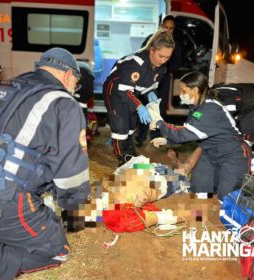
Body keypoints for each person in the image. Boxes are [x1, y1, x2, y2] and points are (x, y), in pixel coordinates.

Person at [0, 47, 90, 279]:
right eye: (76, 84)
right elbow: (70, 174)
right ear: (68, 75)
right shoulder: (63, 103)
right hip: (1, 203)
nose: (74, 90)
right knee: (57, 251)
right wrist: (74, 208)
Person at [150, 71, 252, 201]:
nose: (181, 95)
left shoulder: (209, 109)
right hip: (211, 154)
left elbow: (182, 134)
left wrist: (160, 123)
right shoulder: (197, 108)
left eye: (183, 91)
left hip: (232, 156)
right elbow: (189, 133)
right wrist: (167, 139)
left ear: (195, 90)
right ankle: (205, 207)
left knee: (227, 198)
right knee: (199, 191)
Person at [103, 29, 175, 166]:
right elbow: (124, 91)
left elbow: (147, 85)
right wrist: (139, 106)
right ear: (152, 50)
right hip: (115, 91)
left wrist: (150, 93)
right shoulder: (136, 64)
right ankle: (121, 157)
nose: (163, 60)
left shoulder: (161, 68)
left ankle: (129, 151)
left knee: (132, 123)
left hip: (131, 93)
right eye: (161, 56)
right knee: (120, 124)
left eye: (167, 57)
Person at [135, 15, 182, 147]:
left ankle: (156, 137)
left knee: (159, 108)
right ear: (161, 26)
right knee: (145, 107)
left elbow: (177, 62)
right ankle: (140, 137)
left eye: (171, 29)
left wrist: (166, 69)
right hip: (146, 79)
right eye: (165, 27)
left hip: (163, 80)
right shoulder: (152, 39)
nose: (168, 31)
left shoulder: (175, 44)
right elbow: (141, 53)